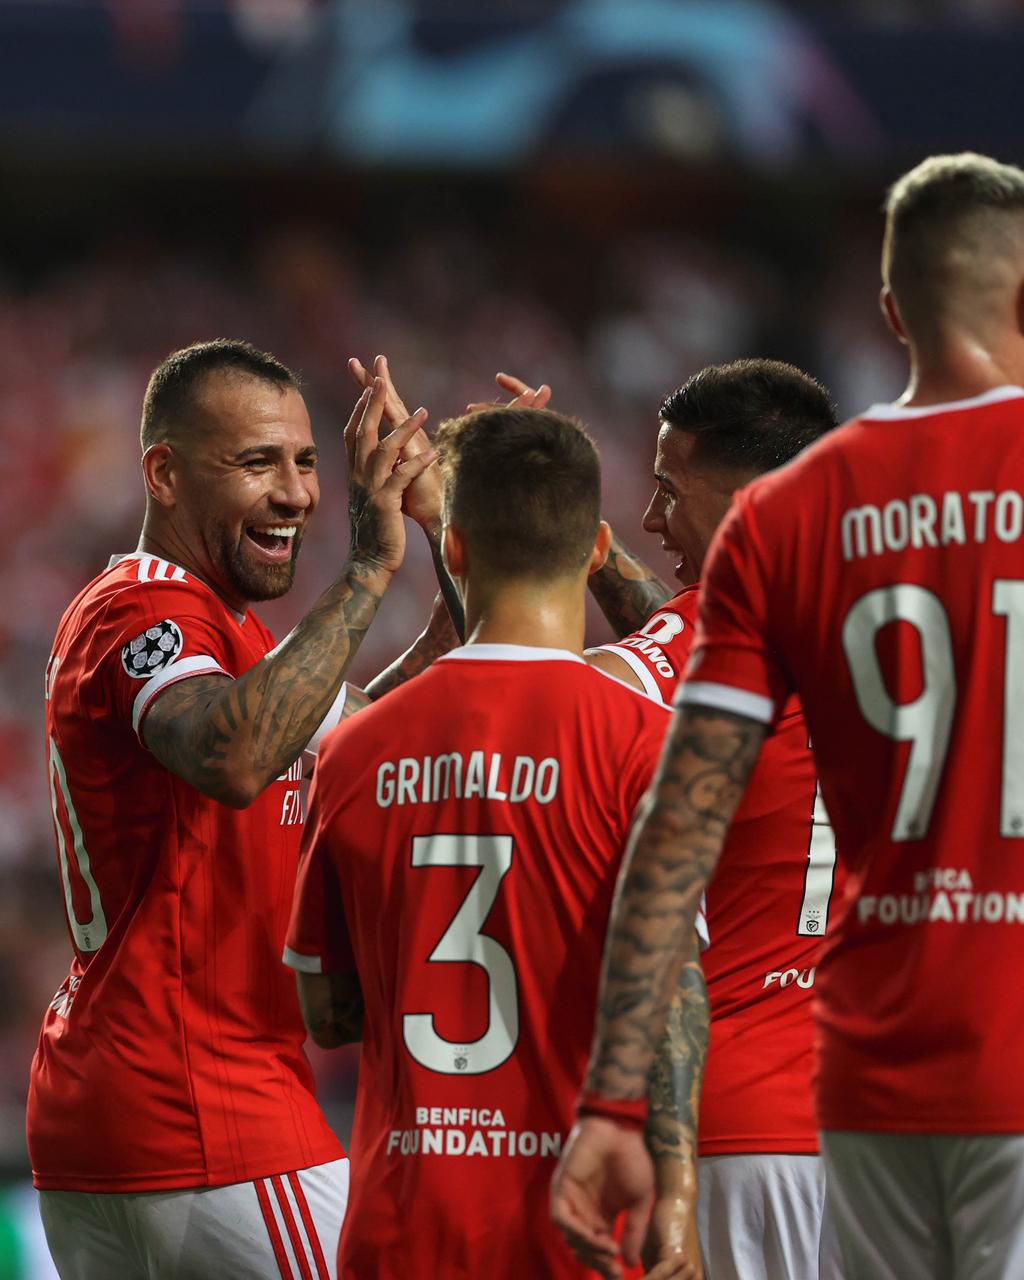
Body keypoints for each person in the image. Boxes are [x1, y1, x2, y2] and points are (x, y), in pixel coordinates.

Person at [552, 151, 1024, 1280]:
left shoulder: (787, 519)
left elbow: (678, 828)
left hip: (852, 1081)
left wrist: (617, 1096)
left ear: (888, 310)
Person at [31, 339, 444, 1280]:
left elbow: (382, 727)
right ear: (164, 474)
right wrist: (371, 567)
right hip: (202, 1106)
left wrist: (450, 535)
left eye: (305, 461)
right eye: (257, 462)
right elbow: (234, 752)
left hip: (126, 1108)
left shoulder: (235, 639)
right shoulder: (140, 609)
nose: (297, 493)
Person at [283, 406, 696, 1279]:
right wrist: (682, 1193)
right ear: (594, 553)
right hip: (577, 1232)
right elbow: (667, 994)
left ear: (455, 551)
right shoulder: (645, 743)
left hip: (403, 1231)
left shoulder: (355, 749)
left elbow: (329, 1013)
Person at [584, 361, 844, 1280]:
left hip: (736, 1134)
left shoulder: (708, 637)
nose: (652, 523)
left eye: (667, 491)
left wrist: (502, 552)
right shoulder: (901, 614)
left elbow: (551, 702)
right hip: (892, 1129)